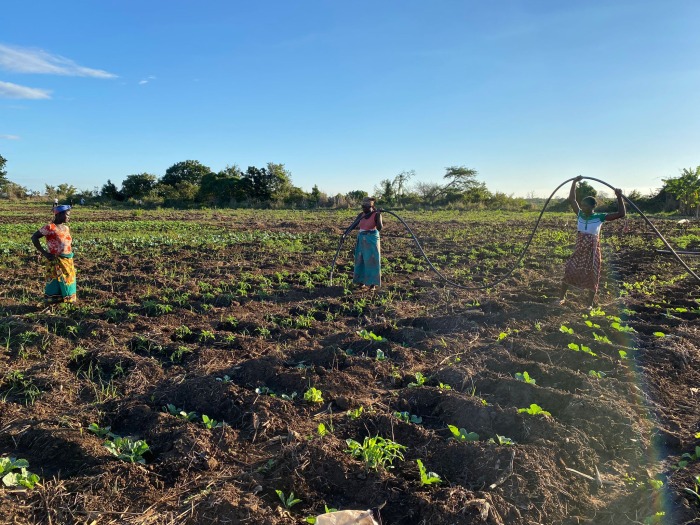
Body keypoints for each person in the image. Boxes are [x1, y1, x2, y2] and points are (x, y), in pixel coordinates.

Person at [560, 176, 626, 307]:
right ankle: (561, 298)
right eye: (582, 205)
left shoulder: (599, 217)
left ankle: (589, 304)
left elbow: (621, 214)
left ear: (593, 206)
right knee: (570, 270)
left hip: (593, 250)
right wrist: (574, 182)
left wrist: (619, 197)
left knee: (592, 274)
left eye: (586, 206)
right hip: (580, 249)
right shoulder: (579, 214)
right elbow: (572, 199)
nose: (583, 207)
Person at [31, 204, 77, 303]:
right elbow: (34, 237)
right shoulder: (50, 227)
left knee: (69, 278)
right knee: (54, 280)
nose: (69, 217)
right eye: (67, 215)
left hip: (67, 259)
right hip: (55, 259)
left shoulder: (66, 228)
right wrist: (44, 253)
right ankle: (54, 300)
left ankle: (69, 300)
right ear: (59, 214)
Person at [344, 197, 383, 289]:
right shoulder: (361, 215)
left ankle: (372, 284)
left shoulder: (376, 215)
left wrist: (378, 215)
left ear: (371, 206)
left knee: (372, 261)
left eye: (365, 207)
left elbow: (380, 228)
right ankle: (361, 282)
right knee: (361, 260)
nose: (363, 208)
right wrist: (344, 234)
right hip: (362, 240)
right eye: (362, 206)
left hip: (372, 240)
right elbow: (353, 225)